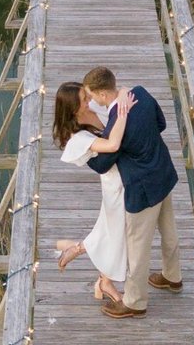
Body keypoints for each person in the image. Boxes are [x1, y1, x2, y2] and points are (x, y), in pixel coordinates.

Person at [82, 65, 183, 320]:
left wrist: (85, 151)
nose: (92, 102)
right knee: (169, 230)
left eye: (92, 97)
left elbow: (102, 164)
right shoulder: (142, 94)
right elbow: (161, 123)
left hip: (143, 190)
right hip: (164, 173)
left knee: (137, 247)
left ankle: (135, 302)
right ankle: (173, 277)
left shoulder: (117, 123)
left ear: (103, 94)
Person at [51, 81, 136, 303]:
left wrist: (124, 96)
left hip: (128, 174)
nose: (89, 101)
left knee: (115, 231)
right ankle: (103, 280)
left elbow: (122, 90)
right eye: (83, 100)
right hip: (115, 184)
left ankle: (82, 255)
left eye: (87, 96)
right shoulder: (77, 139)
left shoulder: (93, 107)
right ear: (73, 109)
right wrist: (123, 112)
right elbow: (112, 144)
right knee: (118, 233)